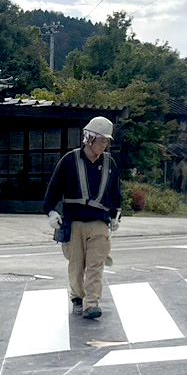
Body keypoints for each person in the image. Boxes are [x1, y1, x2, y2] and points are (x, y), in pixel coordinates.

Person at [43, 116, 122, 319]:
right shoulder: (69, 161)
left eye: (106, 141)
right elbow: (53, 190)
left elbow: (115, 193)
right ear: (89, 138)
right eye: (101, 140)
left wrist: (116, 215)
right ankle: (77, 297)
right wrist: (51, 211)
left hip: (99, 223)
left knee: (96, 265)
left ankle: (91, 303)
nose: (104, 144)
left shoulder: (110, 163)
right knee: (76, 265)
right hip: (74, 222)